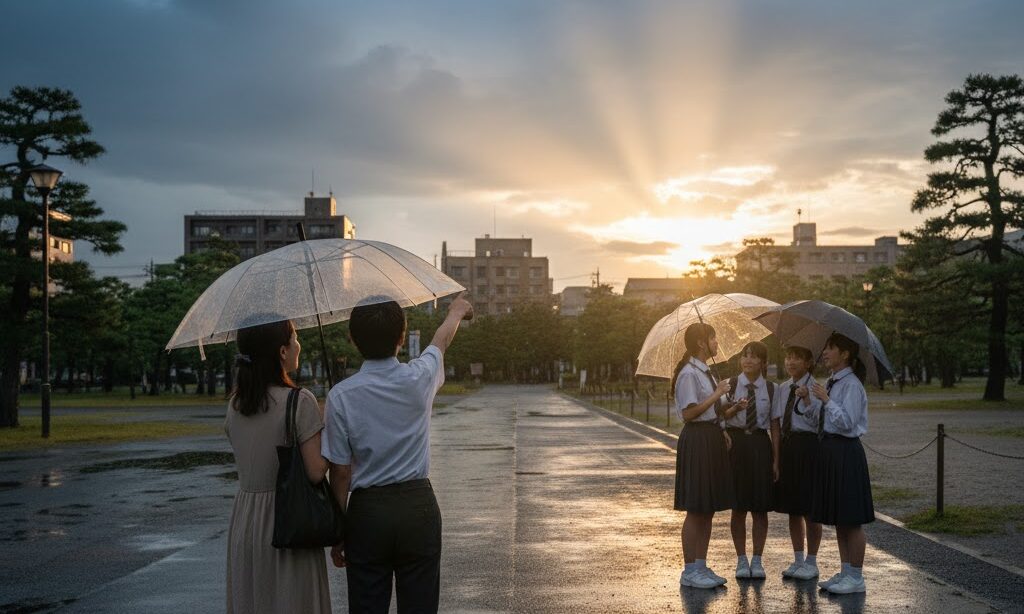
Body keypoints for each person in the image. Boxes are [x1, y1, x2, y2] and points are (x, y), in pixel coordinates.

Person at [323, 294, 473, 614]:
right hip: (417, 508)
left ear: (352, 339)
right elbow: (441, 340)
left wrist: (338, 529)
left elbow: (340, 472)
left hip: (367, 513)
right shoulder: (419, 376)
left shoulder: (340, 396)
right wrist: (457, 311)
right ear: (402, 338)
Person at [224, 319, 331, 614]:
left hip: (245, 521)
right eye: (295, 339)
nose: (299, 345)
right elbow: (316, 470)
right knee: (291, 601)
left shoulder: (234, 405)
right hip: (288, 519)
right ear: (282, 352)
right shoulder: (300, 401)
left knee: (255, 600)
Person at [673, 322, 737, 590]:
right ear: (701, 342)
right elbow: (689, 413)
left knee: (708, 507)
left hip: (710, 436)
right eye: (713, 338)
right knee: (696, 507)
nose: (716, 343)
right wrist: (717, 395)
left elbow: (713, 409)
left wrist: (730, 407)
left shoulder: (706, 372)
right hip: (697, 438)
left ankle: (701, 565)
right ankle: (689, 570)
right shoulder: (689, 373)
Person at [811, 332, 875, 595]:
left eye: (830, 348)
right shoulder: (833, 382)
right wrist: (810, 399)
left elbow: (848, 423)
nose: (825, 352)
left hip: (846, 451)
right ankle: (846, 571)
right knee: (840, 517)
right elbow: (824, 418)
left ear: (845, 354)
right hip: (831, 450)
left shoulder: (851, 385)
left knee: (851, 518)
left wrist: (826, 400)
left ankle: (856, 576)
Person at [719, 341, 777, 580]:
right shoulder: (730, 385)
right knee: (739, 506)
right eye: (745, 356)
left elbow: (775, 425)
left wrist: (776, 460)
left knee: (760, 507)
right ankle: (741, 559)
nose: (748, 360)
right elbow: (719, 416)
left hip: (760, 445)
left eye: (754, 357)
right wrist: (733, 407)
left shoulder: (772, 389)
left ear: (763, 362)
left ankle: (757, 559)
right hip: (736, 445)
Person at [772, 345, 823, 581]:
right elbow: (776, 422)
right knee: (793, 507)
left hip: (809, 447)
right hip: (789, 446)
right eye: (788, 357)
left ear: (808, 362)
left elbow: (818, 423)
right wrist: (777, 457)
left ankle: (812, 561)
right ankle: (798, 558)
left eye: (797, 358)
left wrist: (808, 399)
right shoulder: (783, 388)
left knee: (810, 508)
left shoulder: (815, 387)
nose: (791, 362)